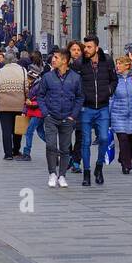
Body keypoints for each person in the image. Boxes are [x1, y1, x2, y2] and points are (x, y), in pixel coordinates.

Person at [34, 48, 82, 189]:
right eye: (53, 57)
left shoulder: (75, 77)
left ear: (64, 60)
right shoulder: (48, 77)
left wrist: (73, 115)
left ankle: (62, 175)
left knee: (65, 148)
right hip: (51, 116)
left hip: (68, 118)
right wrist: (45, 112)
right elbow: (40, 95)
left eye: (56, 57)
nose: (53, 60)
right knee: (51, 145)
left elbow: (80, 97)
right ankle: (52, 173)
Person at [73, 36, 117, 186]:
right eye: (85, 47)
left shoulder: (107, 61)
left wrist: (109, 90)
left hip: (103, 107)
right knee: (85, 141)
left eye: (89, 47)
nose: (85, 50)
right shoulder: (79, 63)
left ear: (96, 48)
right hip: (86, 108)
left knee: (104, 138)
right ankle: (86, 173)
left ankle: (99, 167)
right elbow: (75, 83)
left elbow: (114, 79)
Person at [110, 55, 132, 174]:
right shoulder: (114, 78)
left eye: (120, 63)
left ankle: (123, 157)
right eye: (117, 63)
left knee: (129, 140)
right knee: (123, 139)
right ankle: (126, 165)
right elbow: (110, 97)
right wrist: (108, 116)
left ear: (127, 65)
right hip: (118, 114)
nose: (117, 66)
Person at [0, 50, 26, 161]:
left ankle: (8, 154)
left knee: (6, 130)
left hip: (4, 104)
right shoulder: (23, 70)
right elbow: (26, 87)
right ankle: (16, 150)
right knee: (18, 129)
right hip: (19, 103)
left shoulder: (0, 71)